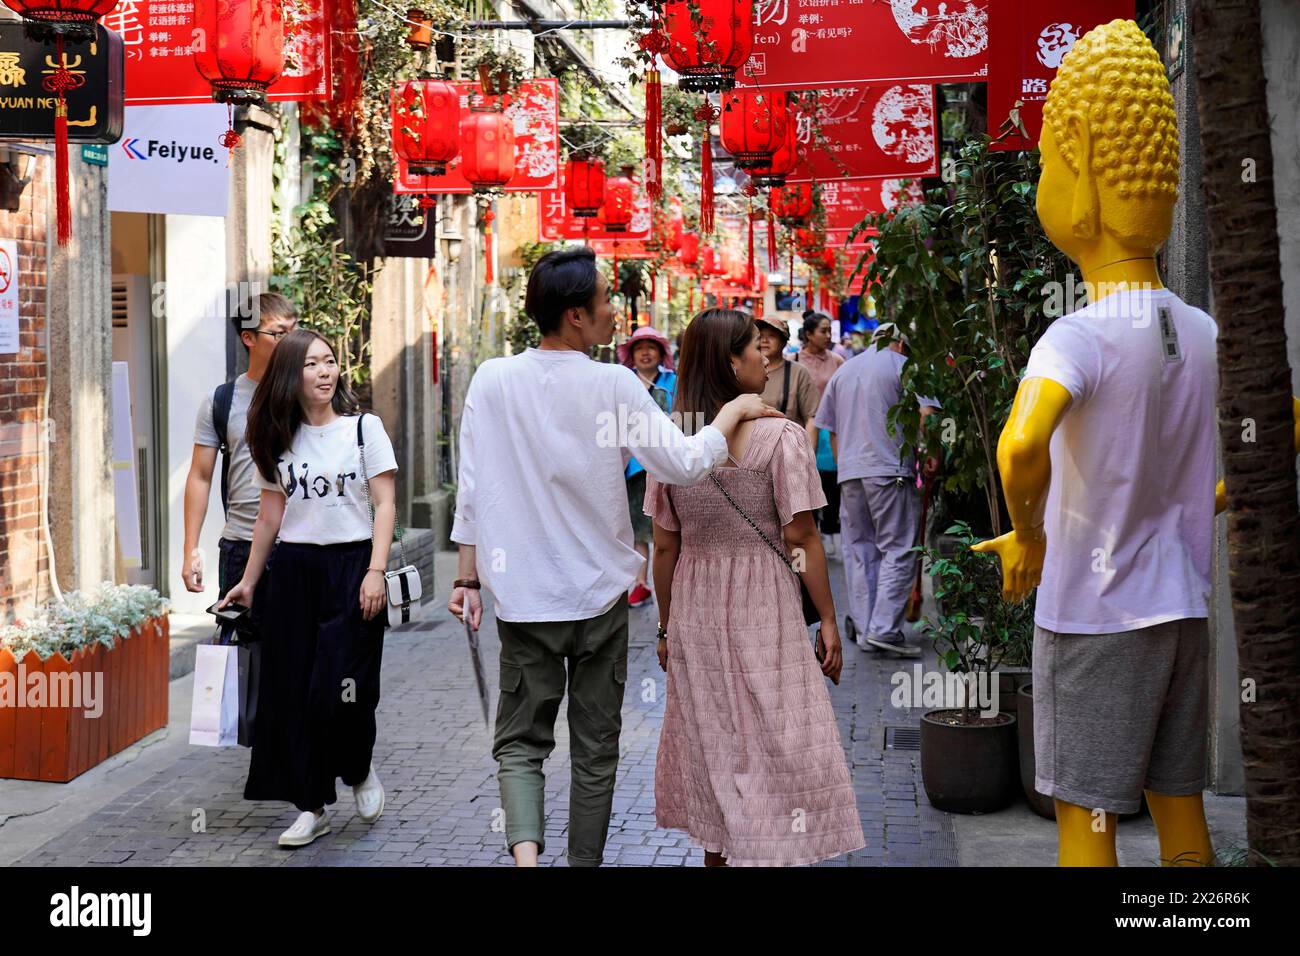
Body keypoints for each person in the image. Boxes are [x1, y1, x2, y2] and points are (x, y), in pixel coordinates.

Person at [446, 248, 781, 868]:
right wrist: (734, 411)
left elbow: (471, 487)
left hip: (523, 602)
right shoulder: (615, 384)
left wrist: (467, 575)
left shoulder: (491, 379)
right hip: (600, 602)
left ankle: (525, 862)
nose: (614, 315)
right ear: (575, 315)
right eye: (604, 302)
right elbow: (681, 463)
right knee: (596, 748)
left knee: (519, 743)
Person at [646, 308, 865, 867]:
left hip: (695, 601)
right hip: (765, 602)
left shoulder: (670, 442)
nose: (766, 356)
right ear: (730, 361)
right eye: (754, 348)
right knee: (778, 742)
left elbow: (665, 547)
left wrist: (667, 627)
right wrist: (830, 621)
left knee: (716, 743)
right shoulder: (781, 438)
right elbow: (802, 536)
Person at [220, 329, 397, 848]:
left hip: (352, 568)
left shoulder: (364, 430)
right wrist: (249, 583)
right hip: (294, 573)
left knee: (344, 688)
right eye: (312, 364)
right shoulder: (276, 437)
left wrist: (375, 570)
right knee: (293, 694)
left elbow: (384, 504)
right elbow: (270, 516)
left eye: (329, 361)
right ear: (290, 375)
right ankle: (311, 806)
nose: (325, 372)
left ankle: (359, 768)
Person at [816, 329, 939, 656]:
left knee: (859, 550)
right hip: (889, 469)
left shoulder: (843, 371)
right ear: (900, 344)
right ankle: (884, 628)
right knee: (898, 547)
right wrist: (932, 454)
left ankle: (867, 626)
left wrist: (845, 468)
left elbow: (831, 430)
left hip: (851, 473)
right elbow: (928, 417)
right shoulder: (904, 366)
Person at [183, 293, 298, 627]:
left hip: (302, 544)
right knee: (242, 652)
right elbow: (200, 476)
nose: (290, 341)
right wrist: (190, 549)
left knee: (300, 654)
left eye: (295, 330)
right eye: (279, 333)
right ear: (248, 338)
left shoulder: (311, 394)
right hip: (242, 544)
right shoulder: (221, 401)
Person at [617, 325, 678, 609]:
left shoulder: (672, 381)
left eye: (651, 347)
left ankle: (673, 585)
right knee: (639, 528)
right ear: (631, 354)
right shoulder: (622, 381)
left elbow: (684, 417)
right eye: (639, 348)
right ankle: (640, 584)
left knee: (668, 529)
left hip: (667, 466)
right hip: (632, 469)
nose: (645, 353)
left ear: (660, 353)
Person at [796, 312, 845, 556]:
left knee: (830, 482)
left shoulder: (837, 360)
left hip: (830, 431)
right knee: (805, 480)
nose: (827, 335)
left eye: (829, 331)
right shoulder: (793, 360)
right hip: (801, 430)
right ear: (808, 334)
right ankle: (811, 530)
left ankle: (830, 529)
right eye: (823, 331)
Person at [756, 315, 818, 446]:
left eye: (772, 336)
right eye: (760, 336)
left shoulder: (798, 372)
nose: (765, 340)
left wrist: (808, 460)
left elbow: (811, 419)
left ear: (784, 341)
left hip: (789, 450)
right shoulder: (746, 371)